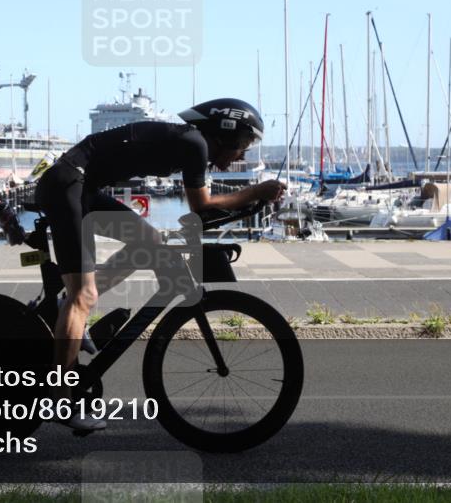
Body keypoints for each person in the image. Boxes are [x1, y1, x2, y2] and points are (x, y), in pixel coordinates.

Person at [34, 98, 285, 431]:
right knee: (85, 294)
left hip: (83, 188)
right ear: (224, 133)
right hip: (68, 184)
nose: (243, 155)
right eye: (242, 145)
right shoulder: (194, 142)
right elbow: (201, 204)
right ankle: (60, 398)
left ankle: (68, 307)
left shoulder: (192, 145)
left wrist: (251, 200)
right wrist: (257, 190)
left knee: (150, 244)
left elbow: (202, 211)